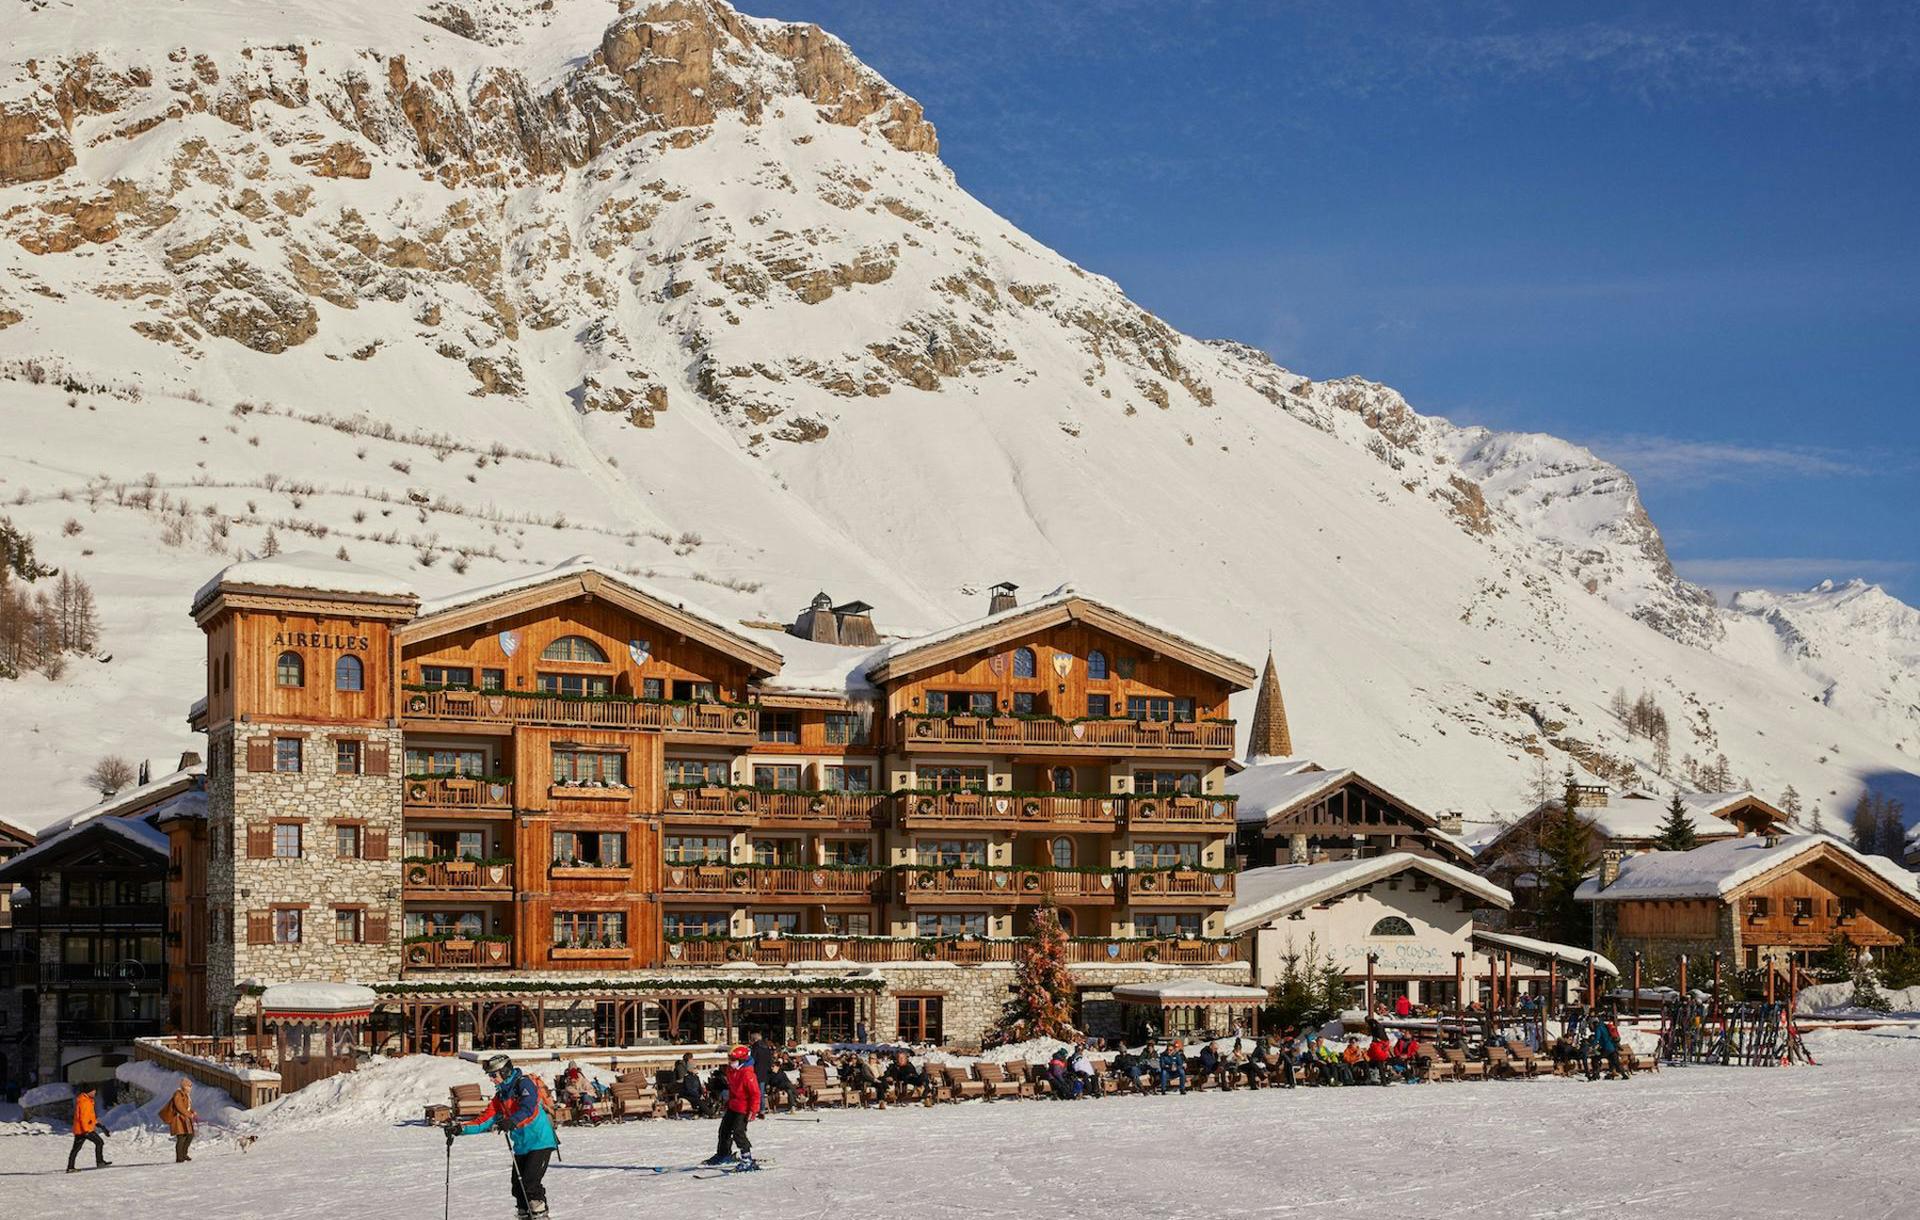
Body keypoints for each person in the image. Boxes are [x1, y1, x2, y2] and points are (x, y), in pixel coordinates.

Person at [449, 1055, 561, 1219]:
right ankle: (524, 1215)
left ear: (505, 1071)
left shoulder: (524, 1084)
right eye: (490, 1076)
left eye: (493, 1075)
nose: (491, 1079)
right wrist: (460, 1129)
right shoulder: (501, 1095)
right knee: (518, 1187)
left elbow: (529, 1108)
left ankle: (540, 1215)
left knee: (530, 1183)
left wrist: (511, 1121)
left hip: (540, 1141)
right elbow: (484, 1120)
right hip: (522, 1146)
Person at [707, 1045, 761, 1166]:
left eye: (733, 1060)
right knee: (724, 1130)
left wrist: (753, 1110)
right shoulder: (731, 1071)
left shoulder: (748, 1074)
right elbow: (732, 1089)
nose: (730, 1062)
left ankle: (747, 1158)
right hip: (733, 1106)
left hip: (744, 1108)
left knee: (738, 1132)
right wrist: (728, 1102)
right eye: (730, 1059)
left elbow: (755, 1094)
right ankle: (723, 1154)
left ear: (741, 1060)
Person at [65, 1083, 110, 1174]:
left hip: (82, 1129)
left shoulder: (88, 1100)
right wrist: (86, 1131)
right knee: (99, 1142)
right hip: (84, 1130)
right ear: (89, 1092)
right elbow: (83, 1117)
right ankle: (100, 1162)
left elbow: (90, 1117)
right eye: (93, 1091)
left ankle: (70, 1167)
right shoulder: (84, 1102)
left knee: (76, 1148)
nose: (95, 1093)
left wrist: (100, 1126)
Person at [159, 1075, 197, 1163]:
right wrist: (189, 1114)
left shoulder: (186, 1095)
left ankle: (184, 1154)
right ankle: (180, 1157)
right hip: (178, 1119)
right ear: (185, 1086)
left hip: (184, 1119)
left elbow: (186, 1107)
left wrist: (192, 1112)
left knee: (190, 1135)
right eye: (189, 1086)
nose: (190, 1088)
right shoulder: (178, 1094)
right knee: (181, 1137)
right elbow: (179, 1107)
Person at [748, 1032, 774, 1116]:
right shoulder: (766, 1047)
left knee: (756, 1092)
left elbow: (752, 1060)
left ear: (754, 1039)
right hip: (765, 1073)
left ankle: (756, 1109)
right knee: (761, 1092)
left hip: (756, 1072)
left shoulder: (755, 1047)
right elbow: (770, 1061)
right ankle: (762, 1109)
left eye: (751, 1039)